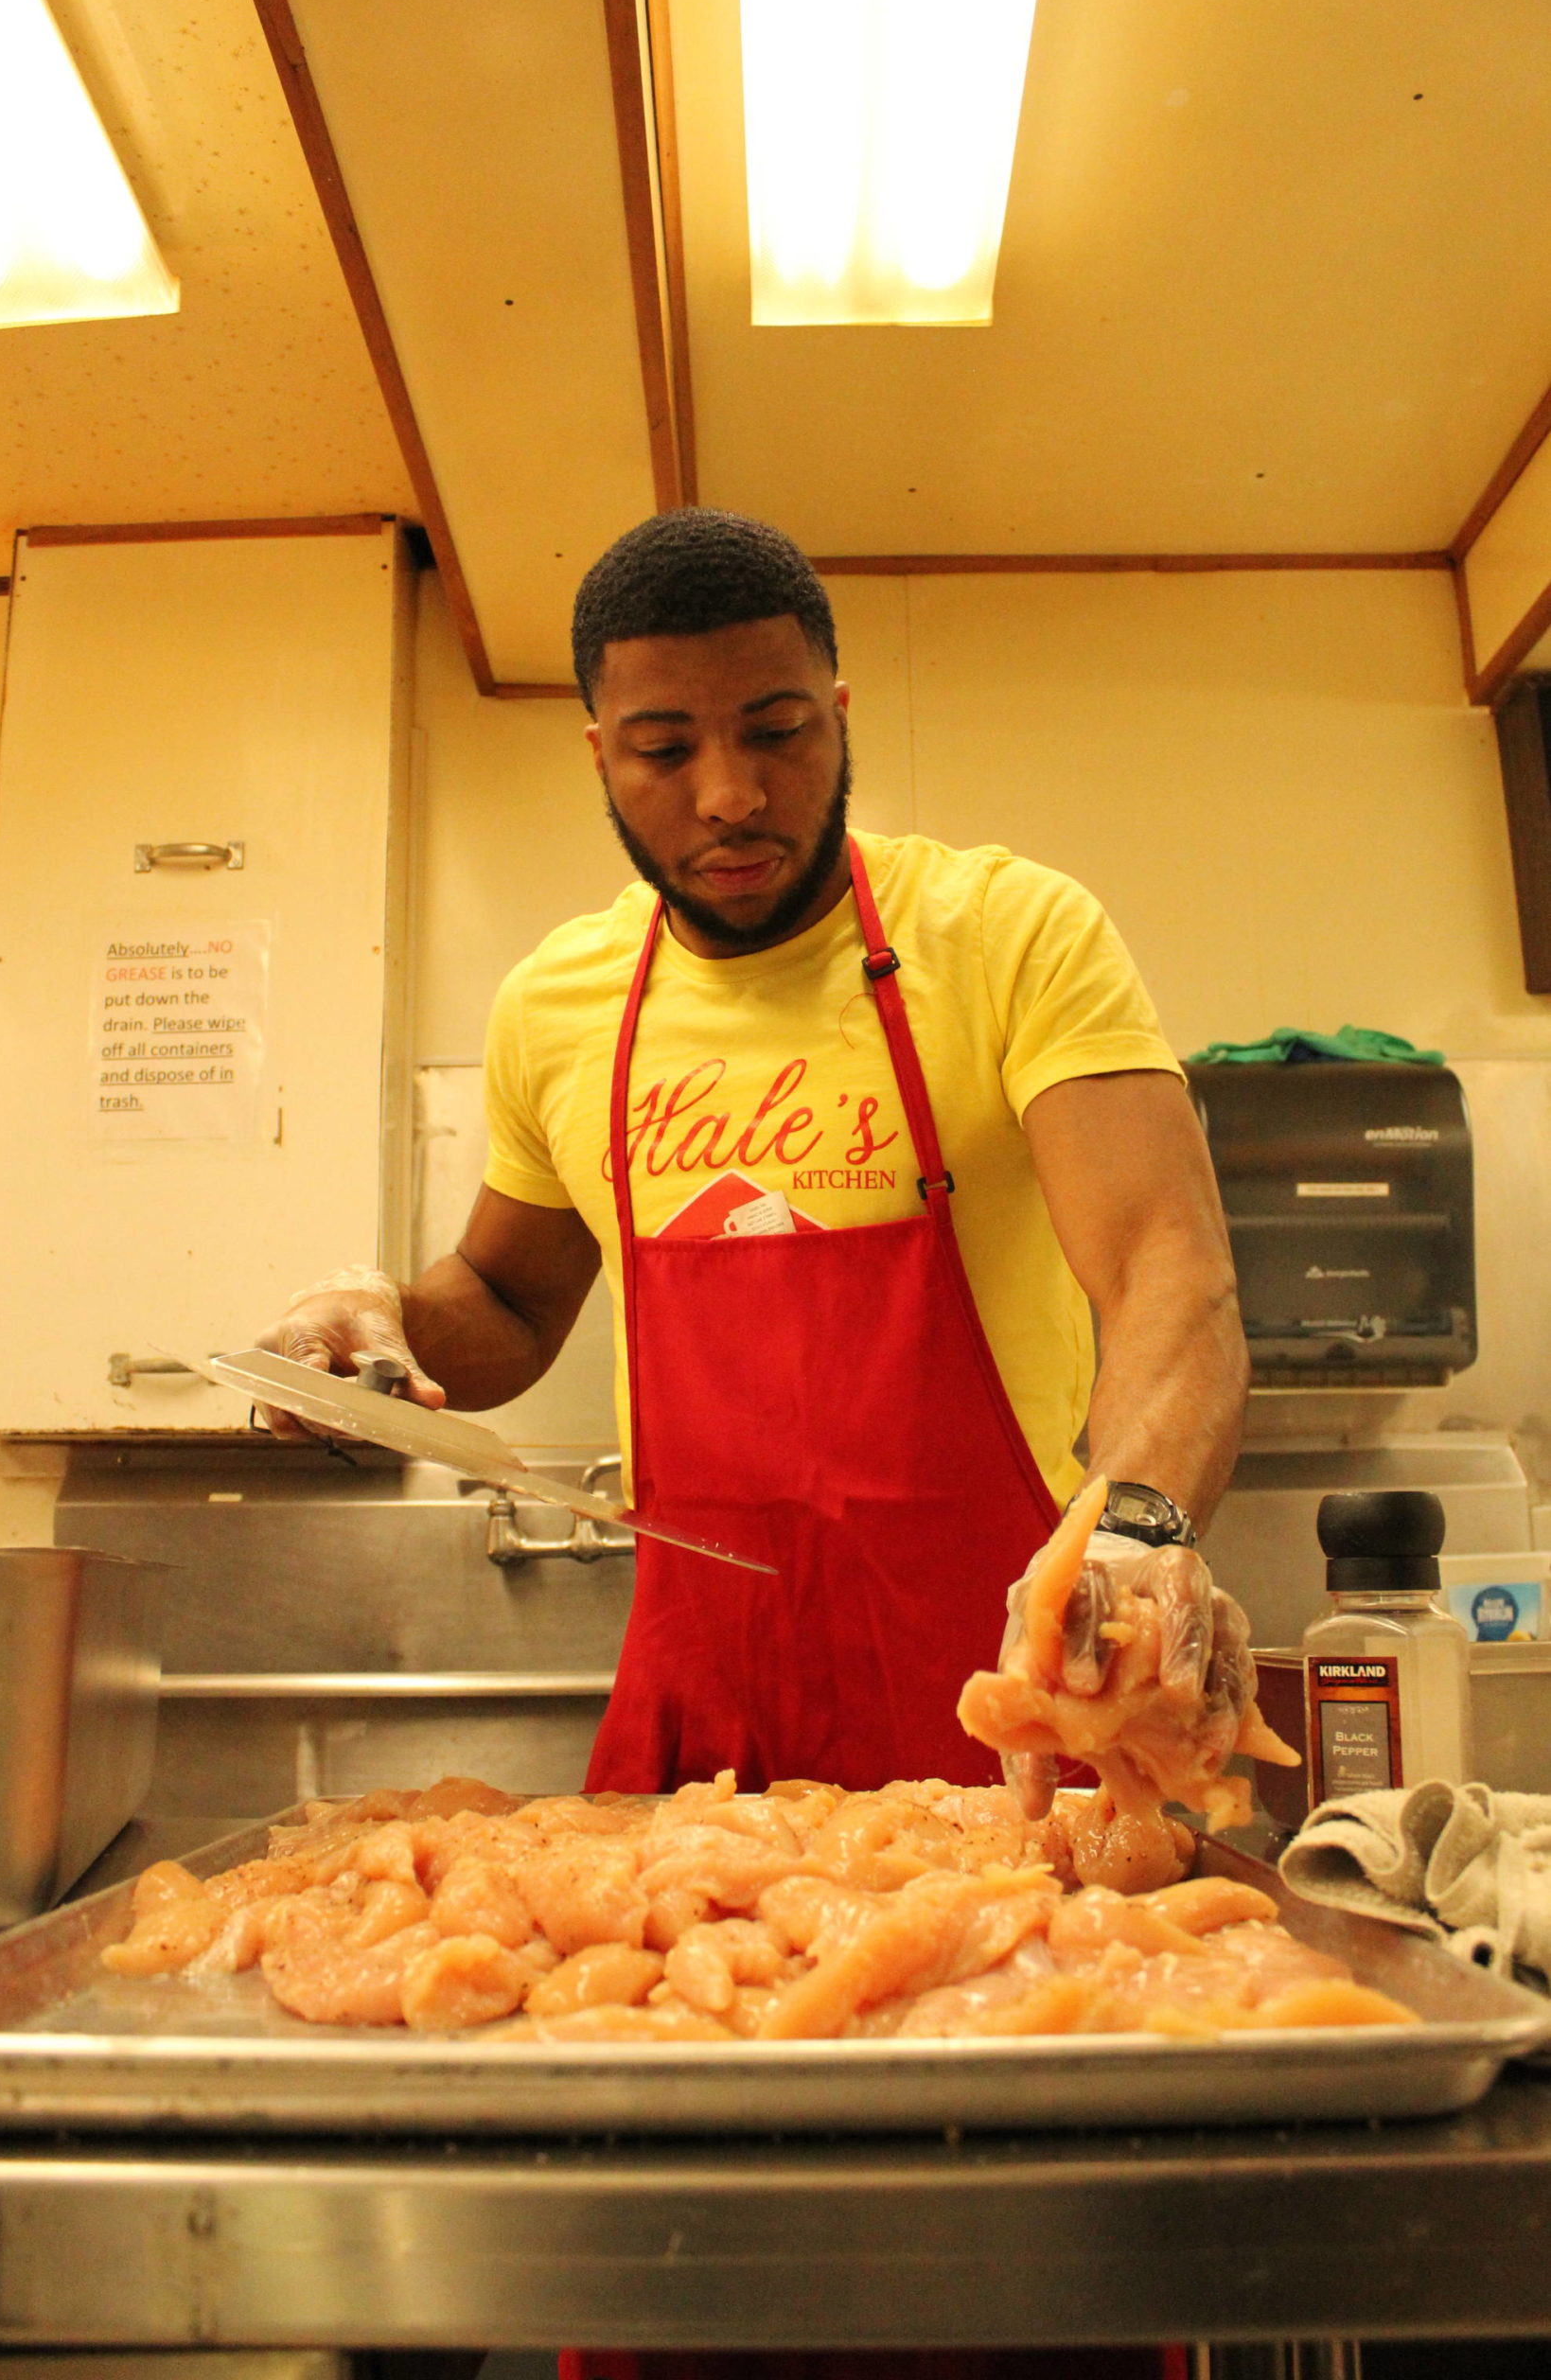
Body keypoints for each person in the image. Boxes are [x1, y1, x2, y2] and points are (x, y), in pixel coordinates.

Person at [260, 506, 1248, 1806]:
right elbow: (506, 1302)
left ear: (837, 713)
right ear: (600, 756)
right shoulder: (560, 1002)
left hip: (1017, 1700)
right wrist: (376, 1320)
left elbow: (1166, 1269)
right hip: (704, 1730)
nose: (729, 793)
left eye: (778, 732)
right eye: (664, 749)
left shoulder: (1010, 932)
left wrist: (1135, 1531)